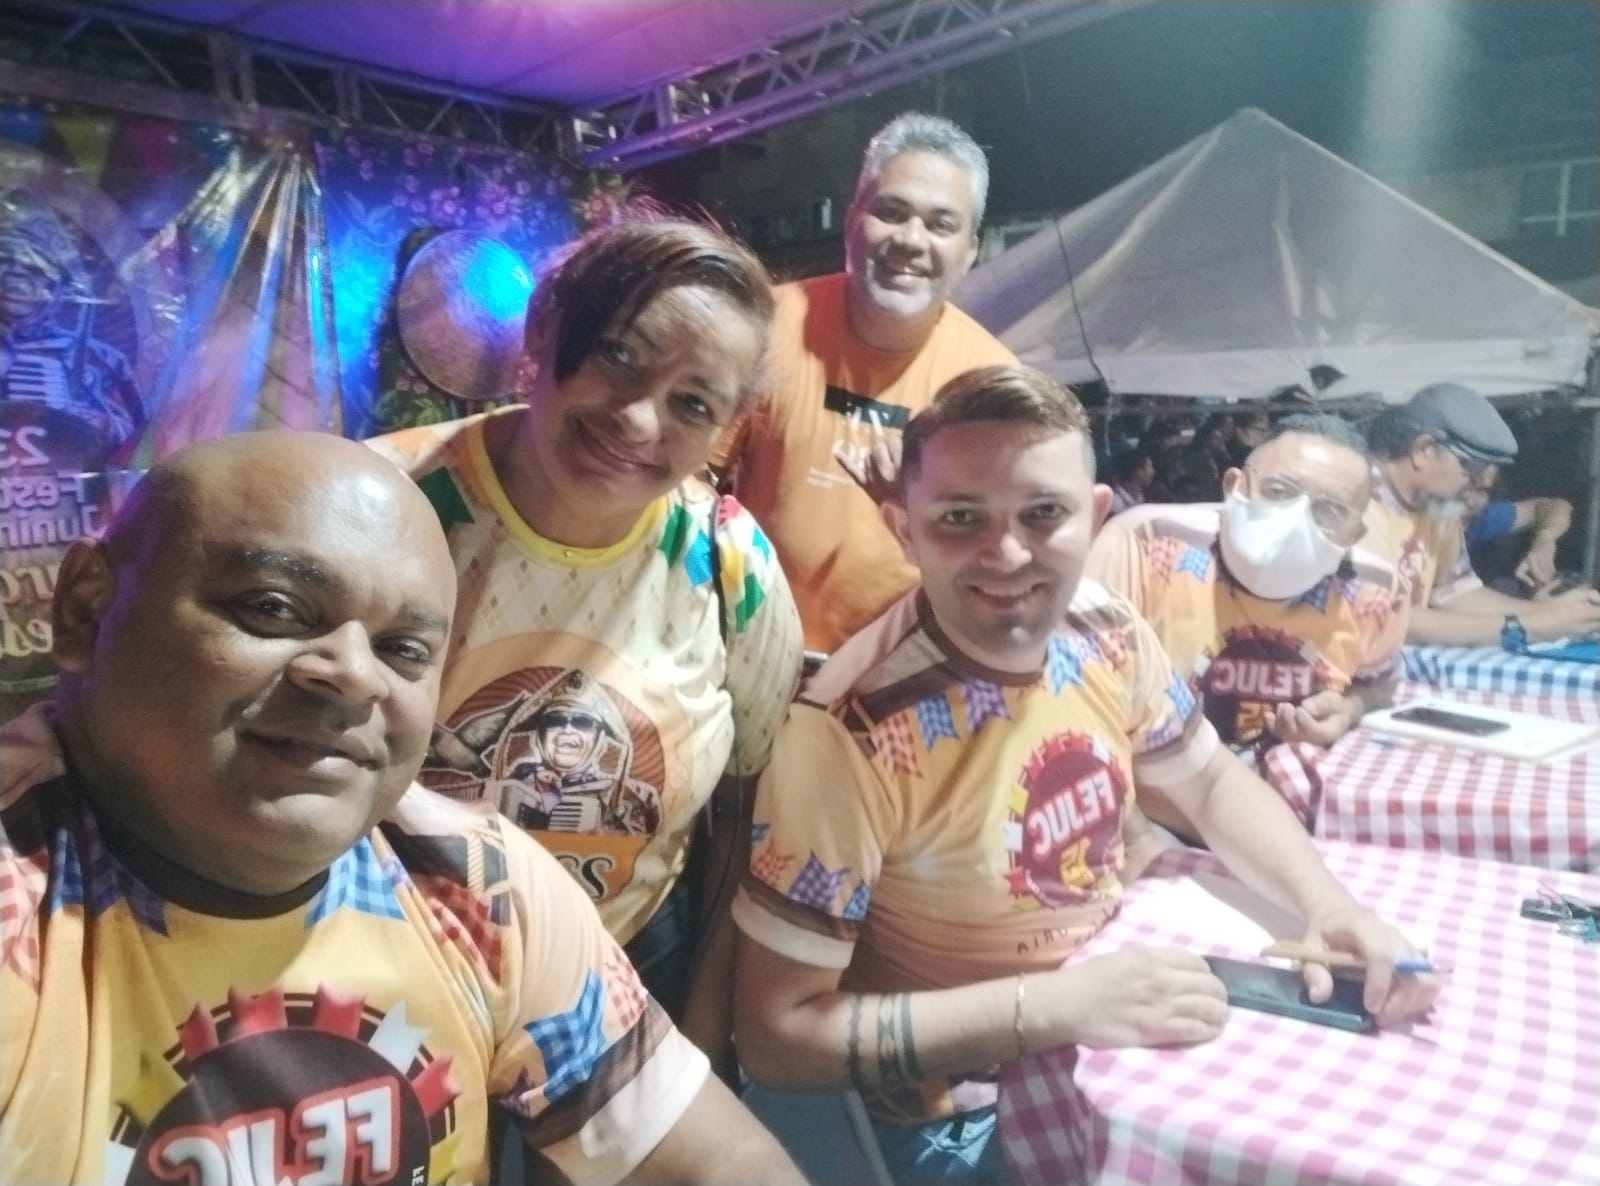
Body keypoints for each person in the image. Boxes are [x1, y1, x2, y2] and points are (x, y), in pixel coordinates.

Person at [0, 430, 805, 1186]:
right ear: (86, 611)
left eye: (404, 650)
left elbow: (717, 1160)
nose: (354, 675)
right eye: (273, 607)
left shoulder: (479, 889)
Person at [732, 366, 1436, 1186]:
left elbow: (1210, 782)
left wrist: (1329, 906)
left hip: (1118, 1018)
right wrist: (1055, 1008)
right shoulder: (844, 735)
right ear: (903, 528)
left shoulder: (1104, 626)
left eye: (1043, 514)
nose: (1006, 553)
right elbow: (778, 1038)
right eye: (960, 517)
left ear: (1096, 516)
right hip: (963, 1111)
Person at [367, 216, 804, 1073]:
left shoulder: (729, 565)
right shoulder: (383, 505)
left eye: (693, 404)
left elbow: (741, 809)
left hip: (630, 971)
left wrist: (698, 1031)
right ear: (542, 329)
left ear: (726, 427)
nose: (638, 420)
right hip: (393, 976)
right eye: (618, 355)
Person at [713, 111, 1016, 654]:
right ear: (852, 219)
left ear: (971, 249)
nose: (911, 240)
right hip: (752, 652)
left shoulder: (995, 387)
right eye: (891, 212)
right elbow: (690, 479)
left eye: (941, 225)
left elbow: (1005, 561)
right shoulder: (768, 326)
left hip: (910, 668)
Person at [1086, 415, 1404, 842]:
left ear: (1355, 532)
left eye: (1329, 511)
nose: (1295, 520)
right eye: (1279, 492)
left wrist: (1349, 708)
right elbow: (1078, 703)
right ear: (1234, 485)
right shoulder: (1145, 545)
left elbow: (1379, 684)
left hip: (1298, 817)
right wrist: (1139, 835)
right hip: (1151, 816)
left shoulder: (1373, 592)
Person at [1363, 381, 1600, 645]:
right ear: (1423, 451)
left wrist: (1551, 613)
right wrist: (1527, 626)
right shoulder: (1357, 500)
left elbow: (1455, 593)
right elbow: (1387, 618)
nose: (1474, 489)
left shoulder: (1437, 509)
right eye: (1473, 472)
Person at [1461, 466, 1576, 596]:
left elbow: (1555, 506)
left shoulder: (1479, 521)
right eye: (1464, 489)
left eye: (1483, 490)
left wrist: (1545, 538)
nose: (1472, 502)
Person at [1106, 445, 1156, 514]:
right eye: (1150, 466)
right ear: (1139, 471)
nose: (1153, 471)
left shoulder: (1141, 497)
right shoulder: (1116, 504)